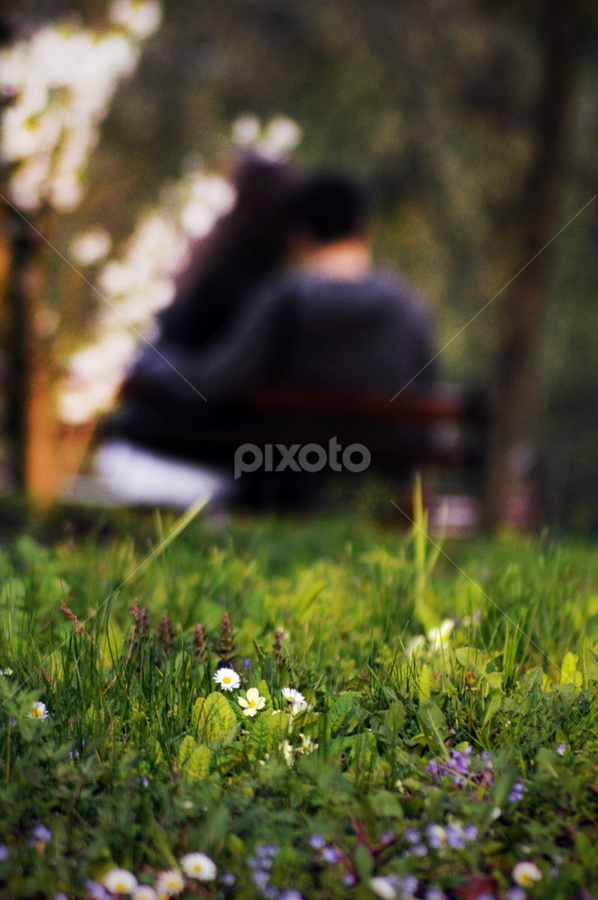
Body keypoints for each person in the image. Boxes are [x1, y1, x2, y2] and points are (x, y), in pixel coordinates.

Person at [100, 172, 436, 508]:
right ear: (366, 228)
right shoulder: (410, 309)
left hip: (290, 486)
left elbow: (212, 382)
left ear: (298, 234)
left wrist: (149, 363)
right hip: (379, 485)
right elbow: (427, 399)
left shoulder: (285, 301)